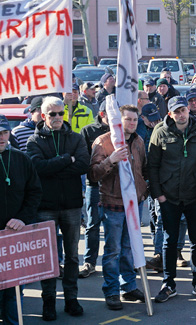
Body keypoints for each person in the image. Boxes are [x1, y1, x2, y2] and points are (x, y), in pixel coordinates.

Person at [27, 96, 90, 320]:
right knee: (48, 257)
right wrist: (66, 159)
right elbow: (37, 167)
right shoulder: (34, 141)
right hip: (46, 207)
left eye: (60, 113)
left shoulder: (75, 138)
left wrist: (56, 165)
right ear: (43, 115)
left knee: (72, 256)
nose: (56, 118)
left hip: (72, 206)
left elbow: (83, 164)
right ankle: (49, 301)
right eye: (52, 114)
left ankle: (72, 299)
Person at [148, 96, 196, 303]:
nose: (181, 114)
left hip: (195, 197)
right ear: (170, 114)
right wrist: (159, 195)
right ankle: (168, 284)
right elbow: (153, 166)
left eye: (183, 110)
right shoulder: (159, 132)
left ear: (188, 111)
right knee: (169, 242)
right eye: (176, 111)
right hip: (169, 198)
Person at [89, 105, 149, 310]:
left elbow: (143, 169)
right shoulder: (103, 141)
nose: (132, 123)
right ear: (118, 120)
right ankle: (112, 291)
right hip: (113, 203)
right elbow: (93, 174)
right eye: (128, 119)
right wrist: (111, 159)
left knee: (129, 248)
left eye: (135, 120)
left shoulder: (139, 141)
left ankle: (129, 287)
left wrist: (143, 190)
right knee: (113, 250)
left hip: (135, 203)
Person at [0, 115, 42, 325]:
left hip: (16, 234)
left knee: (14, 288)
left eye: (4, 132)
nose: (1, 137)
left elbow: (34, 192)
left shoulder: (21, 158)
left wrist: (22, 218)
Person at [79, 99, 111, 279]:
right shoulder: (88, 130)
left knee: (115, 224)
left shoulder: (120, 129)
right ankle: (89, 261)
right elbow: (83, 158)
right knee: (93, 224)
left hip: (116, 185)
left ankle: (117, 261)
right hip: (95, 184)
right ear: (102, 114)